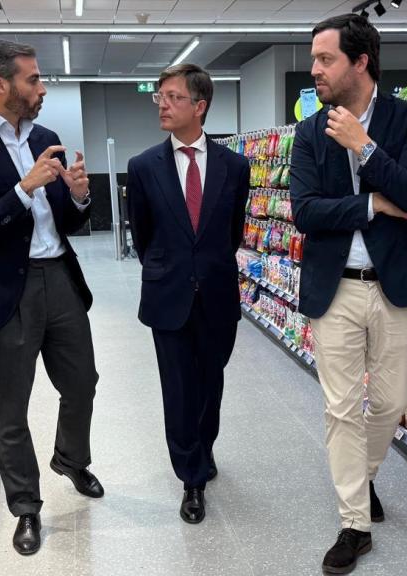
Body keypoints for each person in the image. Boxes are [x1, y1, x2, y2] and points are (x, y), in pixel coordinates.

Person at [0, 39, 102, 557]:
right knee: (12, 407)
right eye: (33, 79)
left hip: (59, 278)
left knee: (83, 382)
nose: (42, 86)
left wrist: (77, 195)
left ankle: (71, 460)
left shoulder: (47, 137)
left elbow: (69, 223)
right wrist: (24, 188)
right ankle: (26, 508)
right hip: (4, 288)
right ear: (1, 84)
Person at [289, 14, 407, 574]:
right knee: (341, 408)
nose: (315, 70)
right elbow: (305, 213)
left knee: (393, 403)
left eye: (325, 59)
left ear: (360, 62)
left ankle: (362, 477)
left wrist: (366, 148)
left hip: (397, 286)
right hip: (336, 290)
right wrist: (374, 203)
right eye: (314, 59)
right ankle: (353, 522)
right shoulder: (308, 131)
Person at [125, 64, 250, 524]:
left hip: (217, 294)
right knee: (178, 389)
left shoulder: (235, 166)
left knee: (210, 383)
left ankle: (204, 446)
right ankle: (190, 478)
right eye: (160, 96)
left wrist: (205, 265)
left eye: (174, 97)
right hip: (168, 295)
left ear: (200, 106)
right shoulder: (143, 167)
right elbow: (143, 235)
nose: (163, 103)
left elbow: (232, 231)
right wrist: (169, 269)